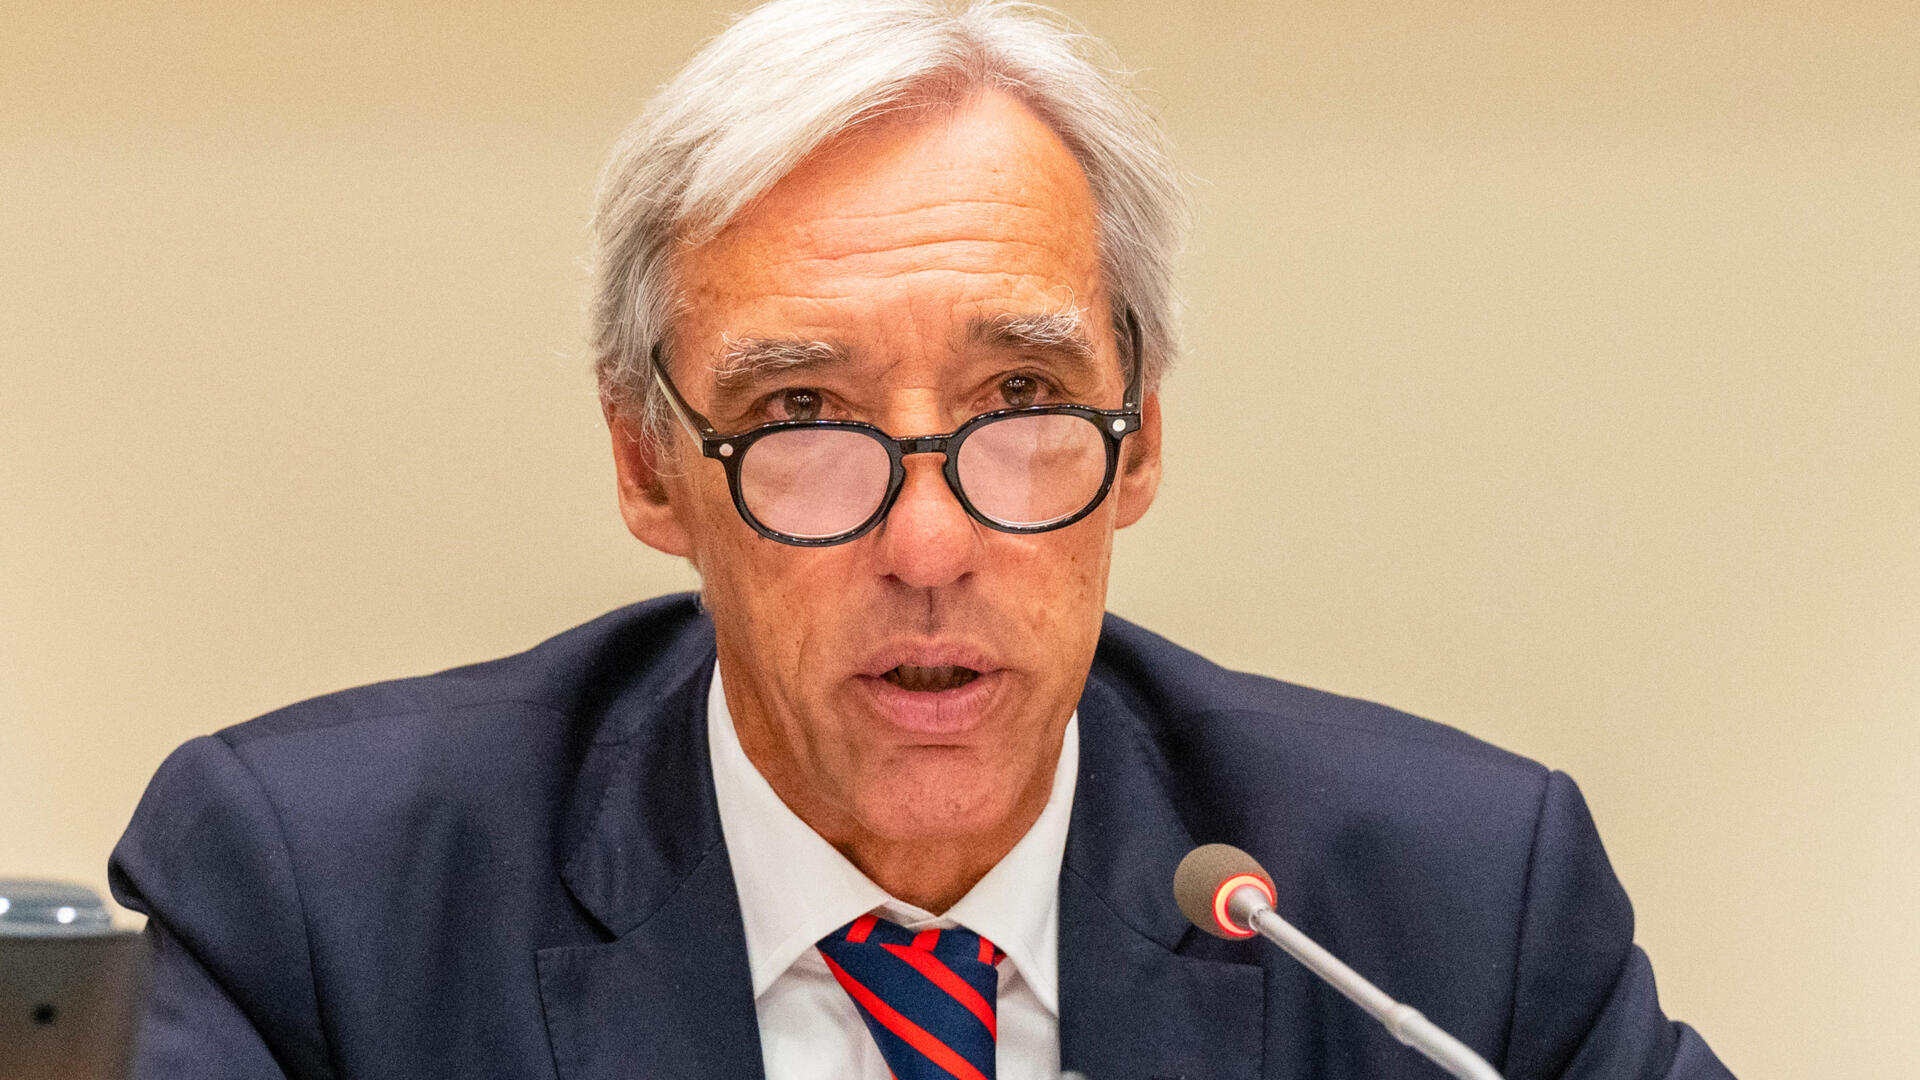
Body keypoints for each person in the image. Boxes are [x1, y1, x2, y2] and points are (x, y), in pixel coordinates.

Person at [109, 2, 1735, 1078]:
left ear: (1140, 435)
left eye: (1021, 397)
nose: (932, 542)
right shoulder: (319, 905)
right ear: (648, 461)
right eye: (804, 414)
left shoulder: (1453, 910)